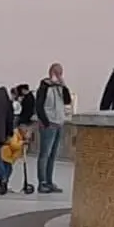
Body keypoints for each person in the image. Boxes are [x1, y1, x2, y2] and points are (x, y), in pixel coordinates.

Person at [35, 63, 72, 194]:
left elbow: (67, 100)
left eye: (60, 72)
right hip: (49, 124)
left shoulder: (60, 88)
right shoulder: (44, 87)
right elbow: (39, 105)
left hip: (59, 123)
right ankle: (42, 182)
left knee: (53, 155)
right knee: (44, 154)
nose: (59, 74)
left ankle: (49, 181)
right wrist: (45, 122)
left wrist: (64, 85)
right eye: (57, 72)